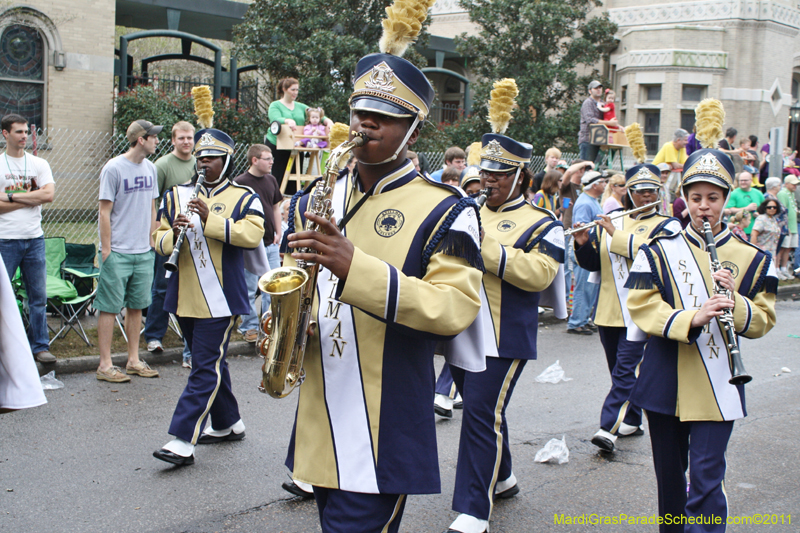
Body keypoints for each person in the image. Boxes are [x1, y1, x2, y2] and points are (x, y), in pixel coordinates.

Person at [282, 41, 483, 532]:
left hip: (383, 421)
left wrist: (356, 267)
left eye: (385, 116)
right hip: (319, 412)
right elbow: (294, 279)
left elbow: (455, 308)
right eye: (360, 112)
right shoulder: (316, 197)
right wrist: (285, 322)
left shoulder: (448, 210)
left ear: (414, 129)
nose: (366, 124)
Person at [625, 141, 776, 532]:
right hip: (665, 379)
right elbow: (641, 306)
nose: (704, 206)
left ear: (726, 199)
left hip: (720, 382)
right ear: (684, 199)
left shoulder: (753, 257)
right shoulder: (658, 249)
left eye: (712, 197)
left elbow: (762, 319)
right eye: (695, 198)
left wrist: (735, 302)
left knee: (707, 480)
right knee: (671, 485)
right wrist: (692, 317)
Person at [444, 130, 564, 533]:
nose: (490, 180)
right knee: (487, 410)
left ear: (520, 177)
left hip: (503, 334)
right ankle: (504, 478)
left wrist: (484, 247)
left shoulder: (542, 222)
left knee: (479, 412)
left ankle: (475, 509)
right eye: (486, 172)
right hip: (462, 327)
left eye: (501, 174)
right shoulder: (466, 209)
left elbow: (541, 274)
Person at [152, 126, 265, 466]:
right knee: (213, 362)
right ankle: (229, 422)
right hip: (183, 294)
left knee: (203, 366)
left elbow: (253, 234)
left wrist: (210, 219)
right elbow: (156, 239)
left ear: (227, 161)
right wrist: (172, 235)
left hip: (221, 299)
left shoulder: (245, 196)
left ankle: (182, 439)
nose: (205, 164)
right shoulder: (174, 195)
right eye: (200, 159)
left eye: (212, 159)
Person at [573, 159, 681, 453]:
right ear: (628, 192)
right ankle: (631, 419)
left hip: (642, 314)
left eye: (651, 190)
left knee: (625, 372)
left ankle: (608, 428)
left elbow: (655, 257)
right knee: (620, 372)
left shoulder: (668, 226)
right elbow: (595, 263)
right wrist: (582, 243)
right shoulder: (616, 218)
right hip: (609, 310)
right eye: (639, 191)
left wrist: (614, 235)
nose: (646, 197)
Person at [95, 120, 162, 383]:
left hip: (143, 251)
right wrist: (107, 250)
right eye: (153, 137)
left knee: (136, 307)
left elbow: (152, 206)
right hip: (118, 252)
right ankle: (105, 364)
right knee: (109, 308)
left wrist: (151, 240)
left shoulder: (151, 169)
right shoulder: (113, 168)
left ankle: (133, 360)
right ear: (140, 139)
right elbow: (104, 211)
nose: (157, 140)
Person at [0, 113, 56, 364]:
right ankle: (6, 347)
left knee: (37, 297)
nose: (24, 136)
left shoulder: (39, 163)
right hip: (5, 239)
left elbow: (48, 196)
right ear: (5, 134)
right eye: (18, 132)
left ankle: (40, 346)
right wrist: (29, 197)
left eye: (26, 132)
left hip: (34, 240)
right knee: (3, 296)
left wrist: (9, 197)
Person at [144, 121, 196, 369]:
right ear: (173, 140)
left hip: (194, 235)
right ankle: (154, 336)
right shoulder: (162, 165)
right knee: (162, 287)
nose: (186, 142)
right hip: (168, 233)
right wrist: (156, 234)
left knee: (189, 288)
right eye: (182, 138)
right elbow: (153, 202)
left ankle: (190, 343)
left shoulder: (199, 164)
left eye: (190, 138)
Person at [234, 144, 284, 341]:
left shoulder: (271, 180)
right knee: (248, 287)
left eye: (271, 158)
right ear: (255, 160)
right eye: (267, 159)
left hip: (270, 243)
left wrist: (279, 232)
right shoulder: (240, 183)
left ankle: (268, 325)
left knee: (271, 288)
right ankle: (249, 327)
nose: (272, 162)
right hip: (250, 245)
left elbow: (275, 208)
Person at [266, 77, 334, 194]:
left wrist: (327, 121)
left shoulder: (301, 106)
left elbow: (316, 114)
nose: (295, 93)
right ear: (284, 89)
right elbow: (275, 118)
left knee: (295, 178)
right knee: (280, 175)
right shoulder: (275, 105)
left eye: (297, 90)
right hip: (279, 144)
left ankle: (293, 201)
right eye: (292, 90)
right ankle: (278, 201)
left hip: (297, 145)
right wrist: (286, 120)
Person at [566, 170, 606, 335]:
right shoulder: (584, 202)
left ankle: (584, 319)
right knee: (583, 287)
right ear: (594, 184)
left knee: (590, 287)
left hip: (592, 249)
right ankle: (576, 322)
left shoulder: (592, 200)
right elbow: (580, 228)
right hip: (584, 249)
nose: (605, 184)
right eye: (603, 181)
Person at [579, 81, 618, 164]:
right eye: (596, 88)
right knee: (586, 167)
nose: (598, 90)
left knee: (596, 170)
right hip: (588, 140)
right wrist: (609, 123)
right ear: (590, 91)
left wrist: (618, 126)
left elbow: (610, 118)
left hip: (600, 140)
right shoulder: (588, 103)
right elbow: (590, 120)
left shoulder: (604, 104)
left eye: (600, 88)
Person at [653, 129, 689, 204]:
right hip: (657, 175)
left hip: (669, 177)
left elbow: (686, 164)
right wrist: (679, 165)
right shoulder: (668, 146)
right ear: (678, 140)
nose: (687, 142)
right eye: (685, 140)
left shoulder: (682, 148)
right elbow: (675, 165)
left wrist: (679, 165)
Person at [723, 170, 763, 236]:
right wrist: (747, 209)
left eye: (745, 180)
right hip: (738, 230)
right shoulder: (733, 193)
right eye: (741, 180)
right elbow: (729, 210)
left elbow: (763, 209)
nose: (743, 182)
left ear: (751, 180)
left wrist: (758, 214)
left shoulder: (758, 193)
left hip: (756, 229)